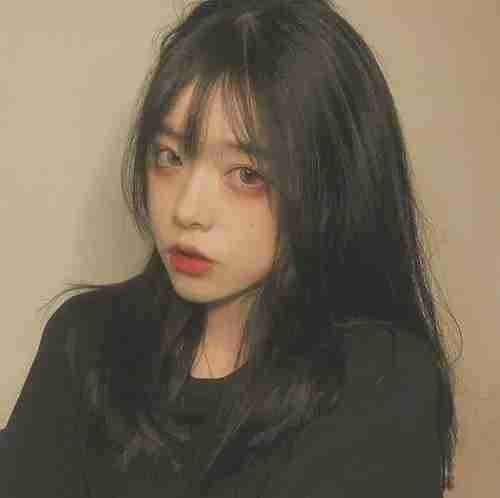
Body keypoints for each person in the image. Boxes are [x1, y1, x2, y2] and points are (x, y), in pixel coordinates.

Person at [1, 0, 461, 496]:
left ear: (331, 184)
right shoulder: (84, 341)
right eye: (170, 156)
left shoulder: (382, 384)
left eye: (246, 174)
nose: (187, 210)